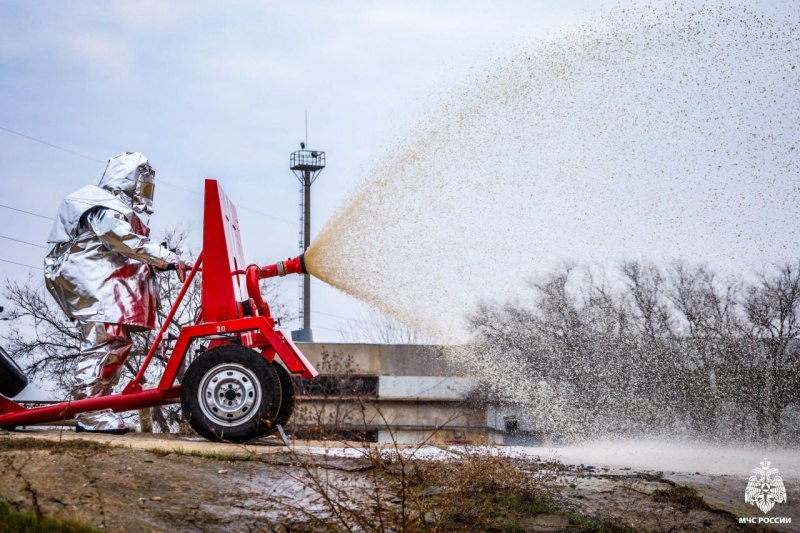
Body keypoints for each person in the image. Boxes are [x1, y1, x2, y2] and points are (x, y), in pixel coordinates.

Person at [44, 152, 186, 433]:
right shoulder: (101, 205)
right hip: (95, 285)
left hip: (107, 287)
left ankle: (97, 404)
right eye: (142, 186)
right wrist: (163, 256)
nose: (145, 194)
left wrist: (163, 257)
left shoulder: (113, 209)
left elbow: (128, 244)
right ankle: (88, 410)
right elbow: (121, 239)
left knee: (116, 344)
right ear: (127, 181)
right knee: (103, 342)